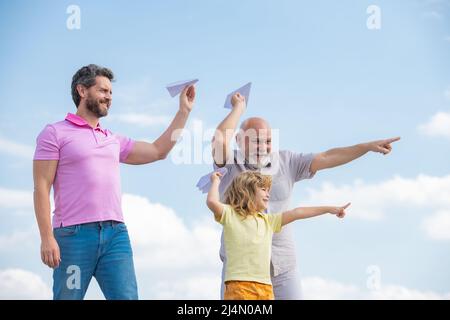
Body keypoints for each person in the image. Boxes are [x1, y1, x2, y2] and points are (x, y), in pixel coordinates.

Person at [211, 92, 400, 299]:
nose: (263, 147)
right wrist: (238, 107)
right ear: (239, 140)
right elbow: (220, 138)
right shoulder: (229, 165)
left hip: (283, 267)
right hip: (241, 274)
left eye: (267, 141)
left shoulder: (286, 161)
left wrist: (366, 147)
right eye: (256, 141)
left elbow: (327, 157)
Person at [33, 64, 196, 299]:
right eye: (103, 91)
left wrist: (184, 112)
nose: (109, 97)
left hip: (115, 235)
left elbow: (158, 151)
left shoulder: (112, 140)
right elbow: (41, 187)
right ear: (82, 90)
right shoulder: (54, 133)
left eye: (110, 93)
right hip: (73, 237)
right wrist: (47, 238)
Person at [207, 171, 350, 300]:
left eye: (268, 190)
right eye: (263, 189)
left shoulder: (269, 221)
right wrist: (215, 181)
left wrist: (329, 209)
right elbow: (212, 202)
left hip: (265, 287)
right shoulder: (230, 214)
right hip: (239, 285)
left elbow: (297, 212)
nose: (268, 194)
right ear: (247, 191)